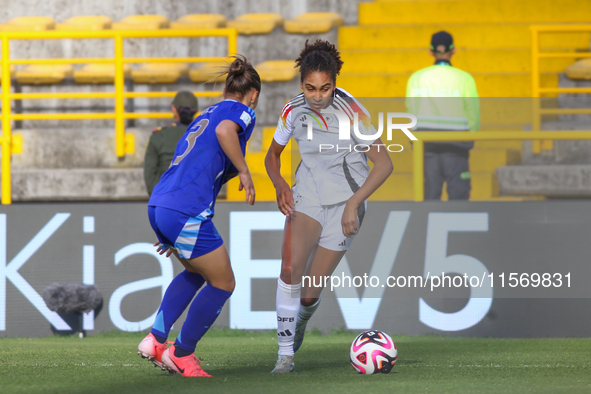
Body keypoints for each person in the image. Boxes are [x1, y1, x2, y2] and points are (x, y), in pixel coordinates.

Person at [265, 39, 393, 373]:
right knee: (290, 269)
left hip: (345, 204)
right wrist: (279, 183)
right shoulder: (293, 110)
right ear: (301, 84)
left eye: (325, 88)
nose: (318, 96)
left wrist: (354, 203)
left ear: (335, 83)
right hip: (307, 196)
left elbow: (383, 165)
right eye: (310, 88)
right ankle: (284, 356)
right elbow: (272, 155)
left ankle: (301, 321)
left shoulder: (353, 112)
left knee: (308, 294)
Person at [137, 56, 260, 378]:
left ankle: (156, 339)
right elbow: (225, 132)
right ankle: (182, 353)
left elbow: (194, 159)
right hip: (185, 207)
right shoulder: (241, 111)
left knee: (195, 273)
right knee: (223, 282)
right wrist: (246, 171)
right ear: (254, 94)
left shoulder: (205, 114)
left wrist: (169, 224)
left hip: (162, 203)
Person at [406, 30, 480, 200]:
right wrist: (470, 137)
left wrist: (414, 141)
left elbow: (411, 112)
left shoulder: (416, 78)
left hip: (426, 147)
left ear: (431, 52)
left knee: (428, 200)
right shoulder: (465, 79)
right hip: (456, 147)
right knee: (459, 200)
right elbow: (473, 116)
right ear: (453, 50)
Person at [143, 91, 199, 196]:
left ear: (174, 109)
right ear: (196, 111)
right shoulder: (202, 136)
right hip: (194, 201)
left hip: (164, 201)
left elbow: (149, 176)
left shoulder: (158, 136)